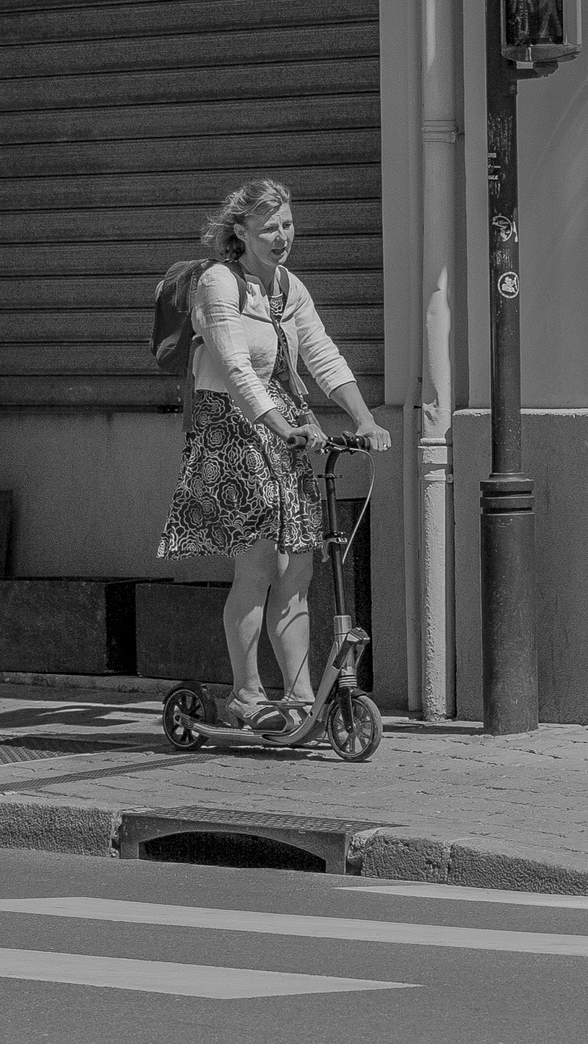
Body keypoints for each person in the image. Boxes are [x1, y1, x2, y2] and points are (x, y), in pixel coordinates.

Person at [156, 179, 391, 731]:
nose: (282, 237)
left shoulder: (290, 287)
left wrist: (364, 418)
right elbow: (237, 370)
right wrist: (283, 427)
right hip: (231, 428)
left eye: (287, 224)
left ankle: (302, 700)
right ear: (240, 232)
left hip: (284, 428)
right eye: (269, 229)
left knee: (298, 569)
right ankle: (246, 694)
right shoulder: (218, 283)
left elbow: (321, 354)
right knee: (259, 565)